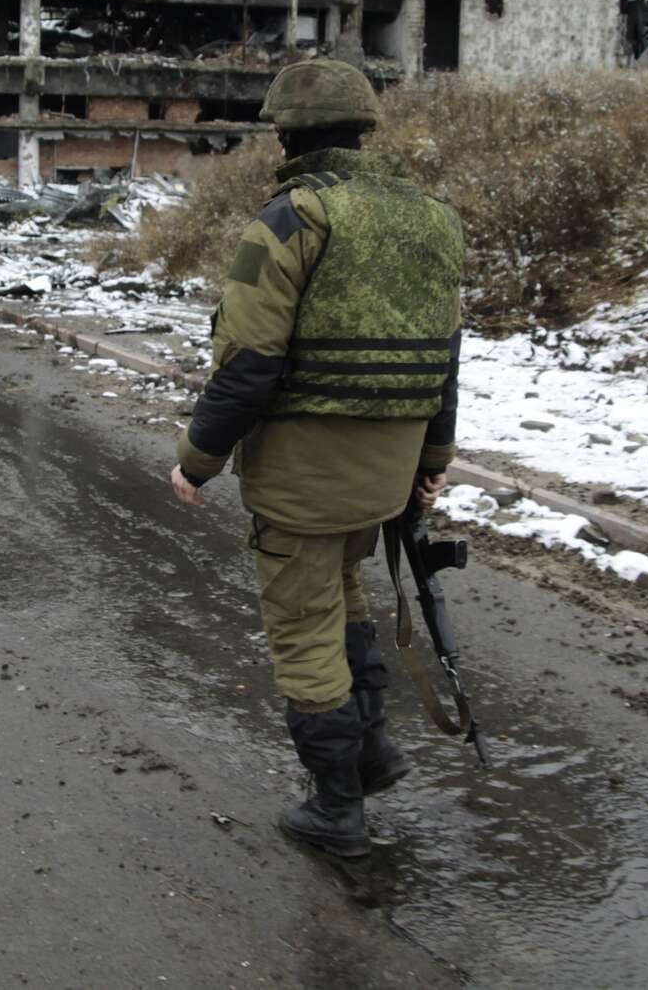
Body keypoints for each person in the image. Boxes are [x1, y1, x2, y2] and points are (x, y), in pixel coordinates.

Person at [168, 59, 465, 858]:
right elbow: (445, 353)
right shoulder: (432, 217)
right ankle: (372, 751)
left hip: (303, 471)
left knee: (303, 628)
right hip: (387, 470)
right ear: (364, 128)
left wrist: (197, 458)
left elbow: (249, 361)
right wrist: (432, 457)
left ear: (285, 135)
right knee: (344, 591)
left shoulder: (292, 217)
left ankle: (338, 808)